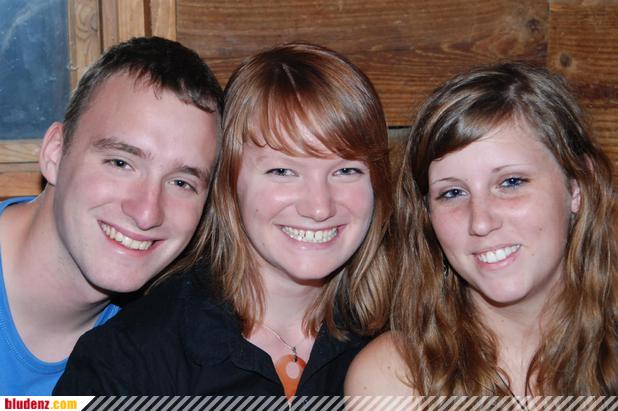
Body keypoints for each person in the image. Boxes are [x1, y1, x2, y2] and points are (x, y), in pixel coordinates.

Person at [53, 42, 393, 397]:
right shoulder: (127, 360)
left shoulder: (405, 336)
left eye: (346, 171)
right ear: (229, 182)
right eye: (282, 171)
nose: (319, 207)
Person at [345, 62, 617, 396]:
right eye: (452, 193)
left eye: (511, 182)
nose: (481, 222)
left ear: (577, 186)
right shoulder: (395, 376)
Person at [0, 36, 223, 395]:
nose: (147, 212)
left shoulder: (171, 338)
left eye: (182, 183)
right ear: (55, 153)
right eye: (120, 163)